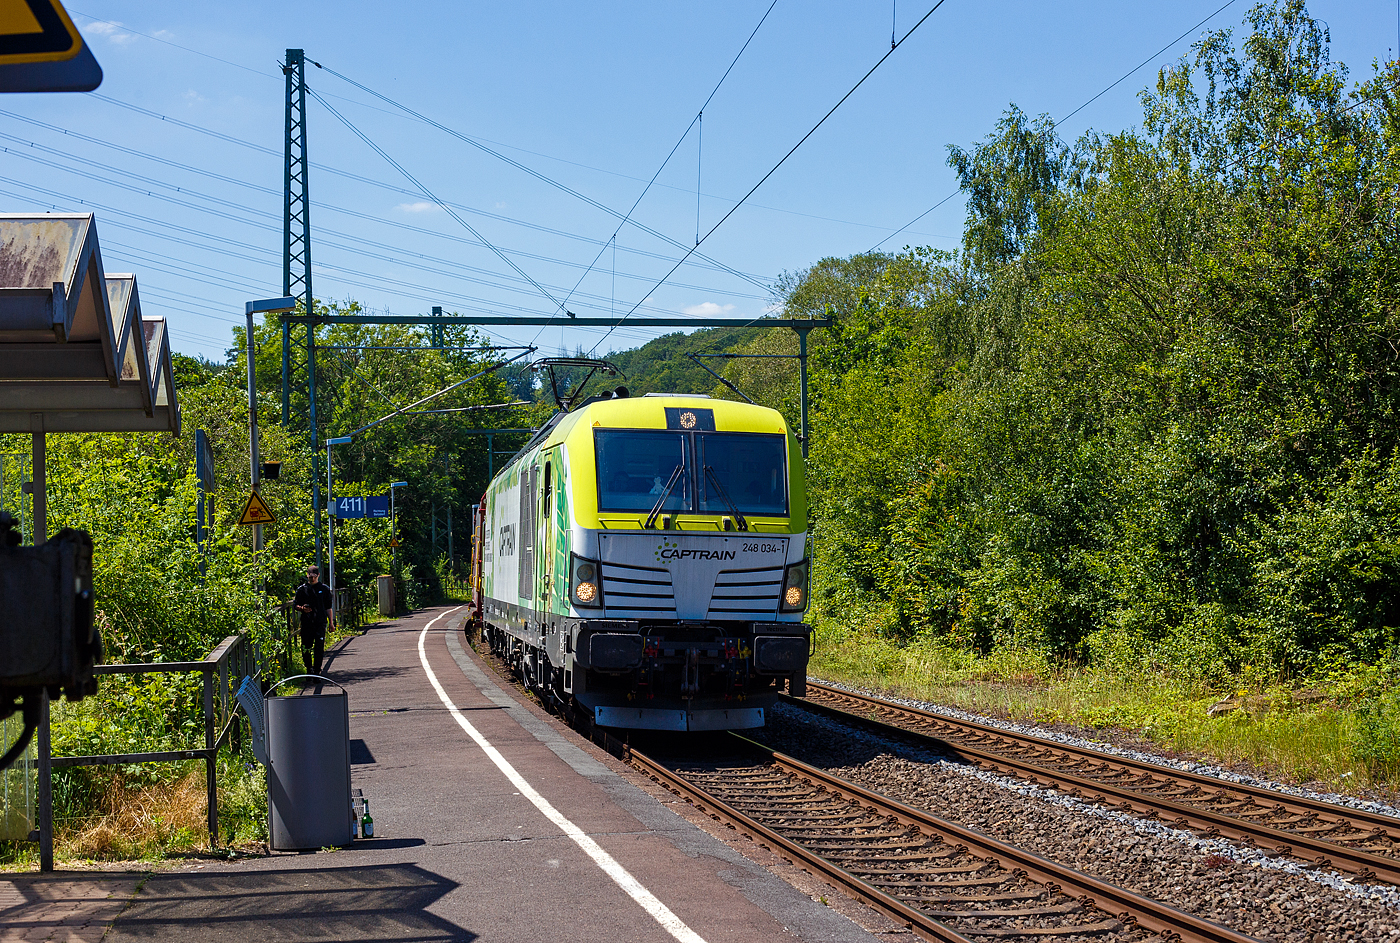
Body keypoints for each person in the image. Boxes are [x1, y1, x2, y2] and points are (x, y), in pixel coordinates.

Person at [292, 565, 335, 675]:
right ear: (307, 576)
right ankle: (308, 668)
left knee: (319, 647)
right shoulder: (302, 589)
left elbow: (328, 607)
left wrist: (331, 623)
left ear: (318, 576)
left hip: (320, 622)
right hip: (306, 623)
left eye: (314, 577)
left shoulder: (324, 589)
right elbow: (295, 605)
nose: (312, 579)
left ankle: (317, 670)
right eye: (310, 577)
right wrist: (302, 609)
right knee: (306, 646)